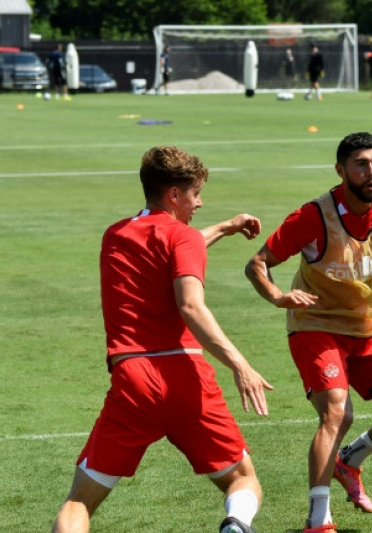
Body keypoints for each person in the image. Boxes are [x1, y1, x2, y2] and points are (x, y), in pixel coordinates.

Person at [51, 146, 273, 533]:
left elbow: (169, 245)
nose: (199, 202)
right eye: (195, 193)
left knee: (78, 503)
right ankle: (236, 525)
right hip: (186, 375)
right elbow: (190, 303)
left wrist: (225, 226)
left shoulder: (116, 235)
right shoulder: (182, 237)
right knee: (242, 480)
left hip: (132, 378)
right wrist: (241, 365)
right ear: (174, 194)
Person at [244, 132, 372, 533]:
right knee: (338, 412)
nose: (371, 171)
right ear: (341, 171)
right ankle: (318, 519)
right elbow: (257, 263)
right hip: (314, 326)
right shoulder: (313, 216)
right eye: (360, 164)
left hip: (364, 330)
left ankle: (350, 460)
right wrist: (276, 296)